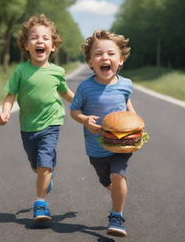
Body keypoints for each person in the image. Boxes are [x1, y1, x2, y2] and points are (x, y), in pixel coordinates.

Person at [0, 14, 74, 221]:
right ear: (26, 45)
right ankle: (45, 175)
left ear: (53, 46)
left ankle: (40, 203)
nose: (40, 41)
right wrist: (5, 111)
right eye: (34, 38)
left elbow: (65, 93)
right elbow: (11, 94)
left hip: (51, 123)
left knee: (44, 161)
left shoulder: (57, 71)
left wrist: (80, 105)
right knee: (36, 164)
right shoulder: (21, 71)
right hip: (28, 126)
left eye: (45, 38)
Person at [70, 30, 135, 237]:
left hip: (121, 144)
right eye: (98, 54)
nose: (105, 58)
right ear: (90, 62)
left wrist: (136, 123)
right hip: (96, 149)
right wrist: (84, 119)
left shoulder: (126, 84)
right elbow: (74, 110)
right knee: (106, 181)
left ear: (121, 60)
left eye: (111, 54)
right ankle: (118, 193)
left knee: (118, 175)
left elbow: (127, 105)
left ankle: (117, 215)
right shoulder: (85, 87)